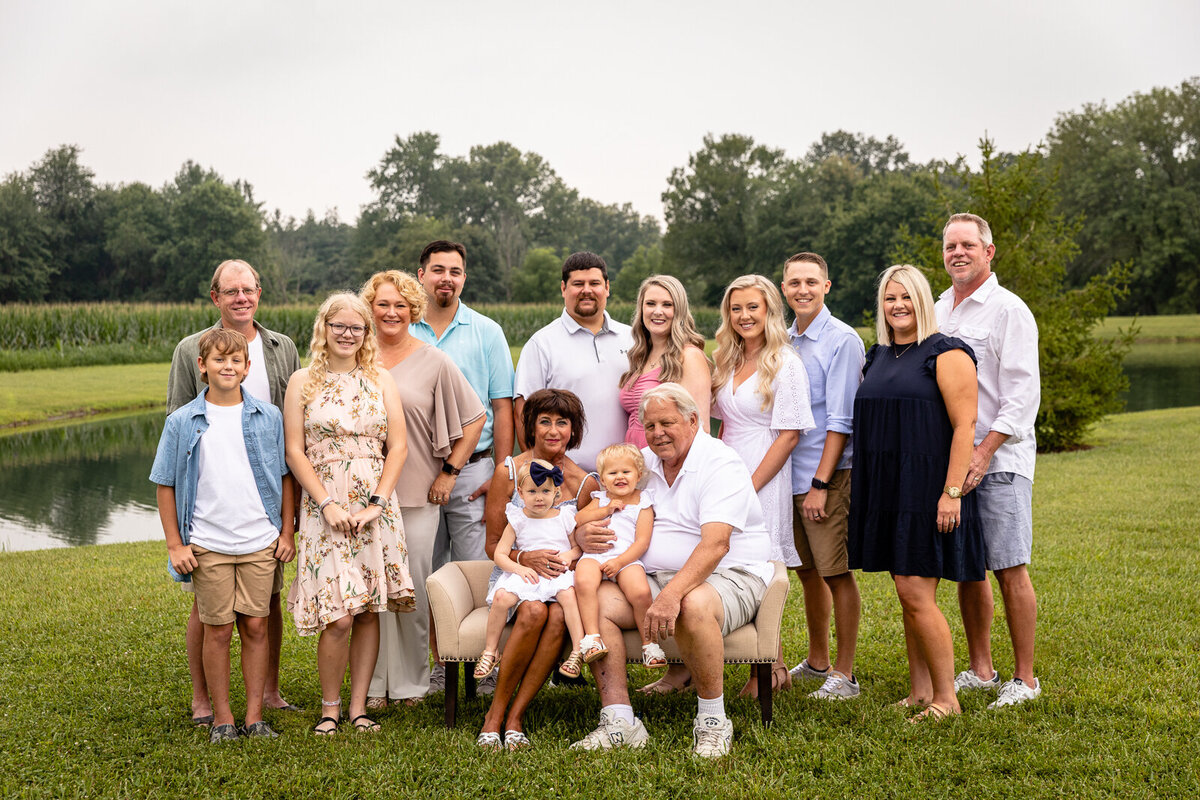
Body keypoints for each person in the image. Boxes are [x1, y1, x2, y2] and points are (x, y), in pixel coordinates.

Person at [574, 383, 774, 758]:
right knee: (596, 599)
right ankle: (619, 720)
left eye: (667, 423)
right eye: (650, 426)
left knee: (691, 603)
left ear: (694, 420)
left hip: (730, 573)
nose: (657, 434)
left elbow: (716, 545)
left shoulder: (719, 462)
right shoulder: (645, 464)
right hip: (650, 575)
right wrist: (583, 532)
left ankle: (713, 722)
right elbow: (603, 504)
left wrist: (669, 594)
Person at [166, 259, 301, 726]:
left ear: (259, 293)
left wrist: (289, 520)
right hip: (211, 512)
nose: (241, 298)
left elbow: (293, 428)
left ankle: (267, 694)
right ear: (215, 297)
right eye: (231, 291)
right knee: (210, 612)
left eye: (249, 289)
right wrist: (177, 535)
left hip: (263, 503)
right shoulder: (191, 349)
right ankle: (206, 700)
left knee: (266, 606)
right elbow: (177, 427)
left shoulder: (281, 348)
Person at [847, 265, 983, 722]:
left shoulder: (946, 353)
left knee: (916, 592)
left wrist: (951, 493)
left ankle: (948, 699)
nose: (897, 305)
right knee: (907, 592)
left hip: (927, 489)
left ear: (922, 300)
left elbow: (966, 426)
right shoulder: (879, 354)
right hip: (886, 487)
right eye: (889, 298)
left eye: (906, 297)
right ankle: (921, 690)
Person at [283, 293, 416, 735]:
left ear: (366, 333)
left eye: (356, 328)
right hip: (325, 505)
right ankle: (330, 707)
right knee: (338, 614)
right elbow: (294, 450)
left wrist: (376, 503)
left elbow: (397, 446)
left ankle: (359, 707)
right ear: (324, 327)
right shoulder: (303, 381)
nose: (347, 334)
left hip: (375, 505)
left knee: (366, 610)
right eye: (338, 326)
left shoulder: (380, 378)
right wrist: (326, 503)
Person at [361, 270, 485, 707]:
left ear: (413, 310)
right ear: (369, 309)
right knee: (370, 593)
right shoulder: (354, 356)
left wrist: (449, 471)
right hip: (361, 496)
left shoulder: (434, 360)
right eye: (382, 304)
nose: (391, 312)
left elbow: (474, 419)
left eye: (400, 305)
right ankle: (373, 685)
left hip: (415, 494)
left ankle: (411, 685)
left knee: (409, 589)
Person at [936, 213, 1043, 708]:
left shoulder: (1008, 310)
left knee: (1009, 565)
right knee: (969, 568)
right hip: (954, 461)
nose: (958, 253)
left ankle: (1024, 680)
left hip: (999, 460)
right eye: (950, 246)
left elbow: (1022, 395)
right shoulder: (938, 309)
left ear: (989, 252)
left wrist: (984, 451)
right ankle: (981, 670)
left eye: (968, 245)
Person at [411, 240, 515, 695]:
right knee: (428, 572)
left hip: (475, 469)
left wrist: (501, 472)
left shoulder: (486, 331)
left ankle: (483, 663)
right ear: (421, 275)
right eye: (437, 270)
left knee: (477, 569)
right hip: (416, 468)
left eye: (455, 271)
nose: (446, 279)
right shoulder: (402, 327)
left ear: (464, 279)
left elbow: (502, 406)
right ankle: (438, 663)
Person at [477, 389, 599, 750]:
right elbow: (492, 543)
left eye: (563, 422)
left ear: (574, 430)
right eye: (544, 421)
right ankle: (495, 715)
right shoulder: (510, 472)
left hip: (561, 580)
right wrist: (523, 559)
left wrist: (571, 558)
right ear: (530, 426)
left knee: (560, 615)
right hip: (517, 573)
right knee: (531, 611)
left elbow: (584, 545)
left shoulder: (583, 483)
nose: (553, 430)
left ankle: (517, 715)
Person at [711, 275, 815, 698]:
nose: (744, 316)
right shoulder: (727, 359)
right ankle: (770, 664)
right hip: (727, 467)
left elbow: (789, 435)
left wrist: (749, 488)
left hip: (763, 474)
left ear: (770, 310)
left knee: (761, 567)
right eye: (736, 308)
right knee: (726, 562)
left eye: (752, 307)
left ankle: (768, 671)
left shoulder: (785, 362)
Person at [781, 253, 866, 700]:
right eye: (794, 282)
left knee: (836, 572)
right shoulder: (785, 339)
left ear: (827, 286)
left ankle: (845, 674)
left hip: (825, 476)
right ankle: (817, 662)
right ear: (784, 288)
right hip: (789, 477)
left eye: (811, 282)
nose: (803, 290)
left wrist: (820, 484)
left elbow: (841, 420)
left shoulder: (841, 340)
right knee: (808, 573)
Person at [514, 251, 633, 472]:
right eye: (578, 283)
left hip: (625, 476)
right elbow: (524, 415)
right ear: (563, 288)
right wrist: (543, 471)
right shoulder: (542, 344)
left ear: (607, 287)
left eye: (594, 283)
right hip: (566, 479)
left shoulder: (634, 338)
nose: (586, 290)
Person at [476, 460, 585, 683]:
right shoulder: (518, 519)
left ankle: (577, 651)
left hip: (557, 574)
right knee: (501, 597)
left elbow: (577, 548)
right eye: (532, 491)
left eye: (545, 491)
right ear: (520, 493)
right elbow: (500, 554)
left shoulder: (564, 516)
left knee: (569, 595)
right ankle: (490, 650)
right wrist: (518, 568)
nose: (539, 497)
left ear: (556, 492)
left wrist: (568, 555)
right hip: (528, 574)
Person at [572, 443, 661, 669]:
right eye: (612, 473)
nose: (619, 477)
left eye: (626, 472)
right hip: (595, 556)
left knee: (641, 592)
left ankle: (649, 645)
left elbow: (642, 541)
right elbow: (579, 519)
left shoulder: (643, 502)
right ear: (602, 479)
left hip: (626, 558)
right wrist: (606, 509)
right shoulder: (600, 499)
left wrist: (620, 562)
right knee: (583, 581)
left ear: (638, 475)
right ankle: (592, 638)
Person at [619, 275, 711, 446]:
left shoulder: (689, 356)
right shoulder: (640, 356)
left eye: (667, 304)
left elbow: (700, 429)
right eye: (651, 303)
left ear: (679, 310)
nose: (657, 311)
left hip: (665, 464)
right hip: (633, 464)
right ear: (641, 309)